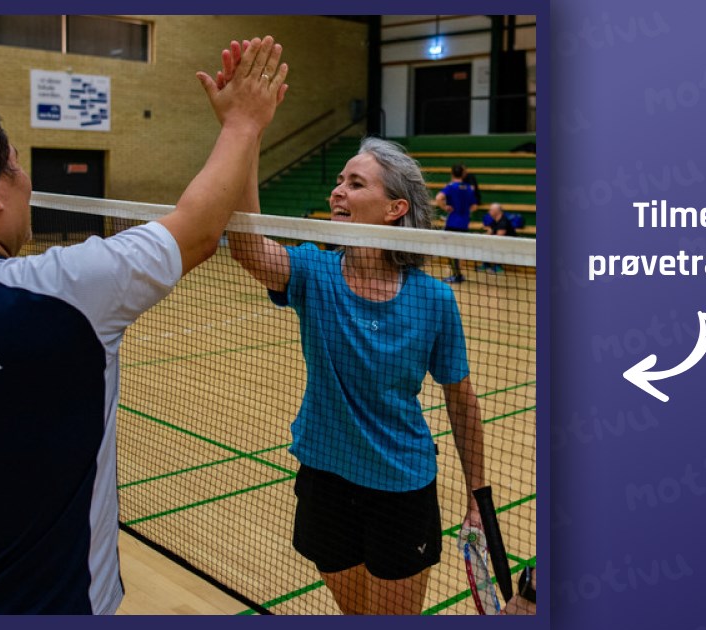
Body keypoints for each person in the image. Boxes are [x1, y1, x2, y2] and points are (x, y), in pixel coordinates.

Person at [0, 36, 288, 615]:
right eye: (17, 164)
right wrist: (244, 122)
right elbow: (200, 227)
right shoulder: (64, 290)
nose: (26, 180)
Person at [215, 42, 485, 613]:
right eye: (339, 181)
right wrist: (246, 131)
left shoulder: (433, 299)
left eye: (356, 183)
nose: (337, 191)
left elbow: (460, 400)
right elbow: (247, 247)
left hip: (400, 486)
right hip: (325, 479)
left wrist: (477, 497)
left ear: (394, 209)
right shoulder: (315, 272)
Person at [433, 164, 477, 283]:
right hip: (464, 224)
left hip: (452, 223)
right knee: (460, 250)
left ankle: (456, 275)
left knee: (450, 250)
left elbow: (438, 198)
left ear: (452, 173)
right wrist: (466, 212)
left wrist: (445, 207)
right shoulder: (469, 188)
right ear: (463, 174)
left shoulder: (451, 187)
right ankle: (459, 274)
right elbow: (474, 206)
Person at [478, 202, 515, 273]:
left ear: (497, 211)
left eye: (491, 210)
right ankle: (486, 264)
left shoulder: (503, 221)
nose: (489, 212)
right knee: (485, 243)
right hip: (500, 242)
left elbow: (499, 237)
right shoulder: (494, 221)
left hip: (509, 244)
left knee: (496, 245)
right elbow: (489, 232)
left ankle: (498, 267)